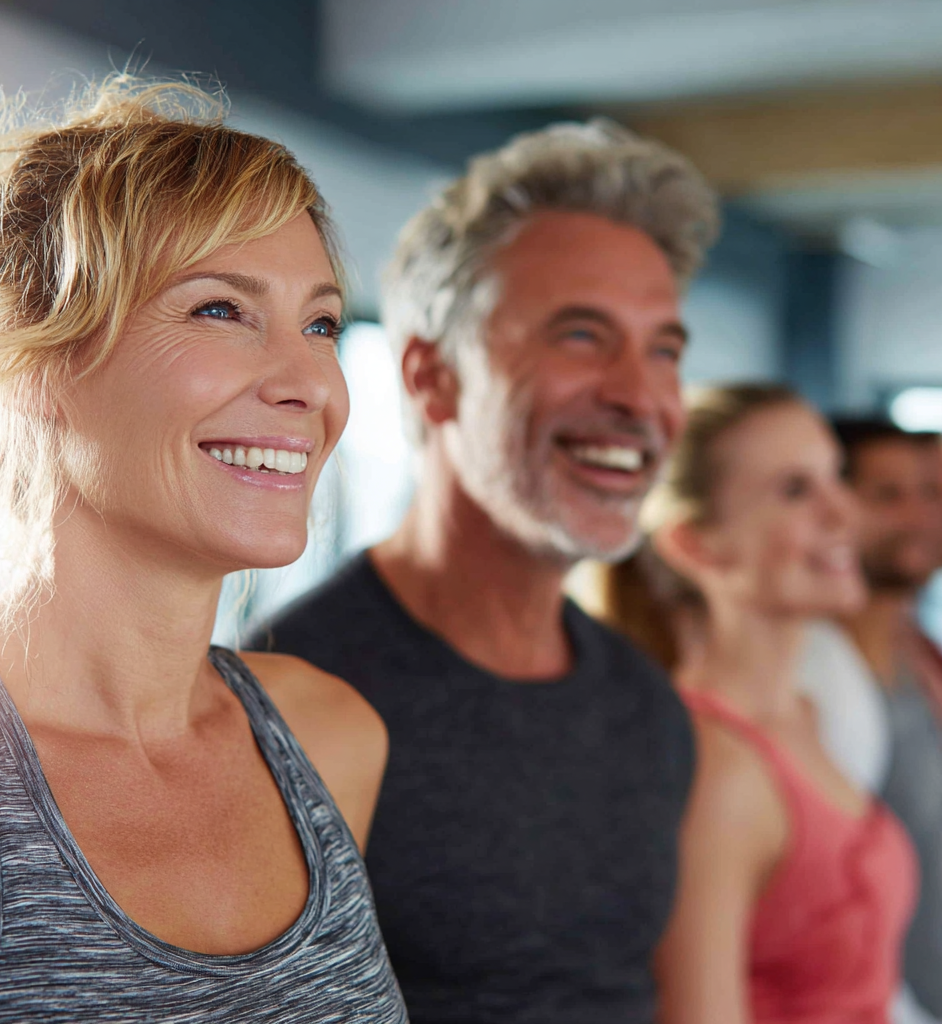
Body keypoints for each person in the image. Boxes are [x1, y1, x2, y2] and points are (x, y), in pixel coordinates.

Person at [0, 76, 406, 1023]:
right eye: (220, 309)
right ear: (35, 362)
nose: (312, 383)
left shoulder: (332, 737)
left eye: (321, 324)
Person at [247, 119, 719, 1023]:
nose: (640, 395)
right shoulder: (287, 689)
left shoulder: (643, 703)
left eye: (664, 349)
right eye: (582, 335)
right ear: (431, 378)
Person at [618, 385, 917, 1024]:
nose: (844, 513)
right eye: (794, 490)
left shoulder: (806, 714)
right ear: (698, 544)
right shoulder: (714, 767)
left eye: (835, 477)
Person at [831, 419, 942, 1017]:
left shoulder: (923, 662)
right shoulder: (812, 684)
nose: (919, 516)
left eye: (929, 493)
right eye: (888, 495)